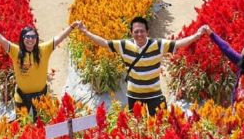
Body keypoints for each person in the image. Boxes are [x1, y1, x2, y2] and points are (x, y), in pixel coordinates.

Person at [77, 17, 209, 115]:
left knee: (159, 125)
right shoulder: (124, 45)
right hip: (134, 96)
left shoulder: (158, 45)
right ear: (131, 33)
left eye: (142, 31)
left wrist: (197, 35)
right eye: (136, 32)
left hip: (154, 95)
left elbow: (179, 44)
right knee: (137, 127)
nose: (139, 34)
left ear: (147, 32)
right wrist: (85, 32)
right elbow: (104, 43)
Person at [0, 18, 78, 119]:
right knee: (24, 126)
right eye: (27, 36)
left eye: (33, 37)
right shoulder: (15, 51)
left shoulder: (44, 49)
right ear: (22, 38)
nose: (30, 39)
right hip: (22, 98)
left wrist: (72, 26)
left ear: (36, 38)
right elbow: (1, 39)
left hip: (42, 97)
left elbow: (58, 38)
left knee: (43, 125)